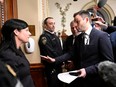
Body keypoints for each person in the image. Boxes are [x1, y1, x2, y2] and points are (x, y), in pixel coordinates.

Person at [41, 10, 114, 87]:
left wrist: (87, 70)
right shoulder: (79, 38)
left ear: (86, 20)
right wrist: (55, 60)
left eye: (77, 21)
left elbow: (108, 61)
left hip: (95, 81)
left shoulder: (102, 36)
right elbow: (70, 53)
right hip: (80, 80)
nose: (75, 24)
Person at [0, 19, 35, 87]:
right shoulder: (6, 55)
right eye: (27, 30)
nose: (30, 33)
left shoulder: (18, 50)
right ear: (16, 32)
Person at [38, 17, 63, 87]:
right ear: (45, 25)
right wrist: (61, 59)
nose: (53, 25)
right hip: (51, 67)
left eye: (54, 23)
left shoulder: (55, 35)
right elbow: (50, 53)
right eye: (51, 23)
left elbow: (60, 50)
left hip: (58, 65)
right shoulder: (44, 37)